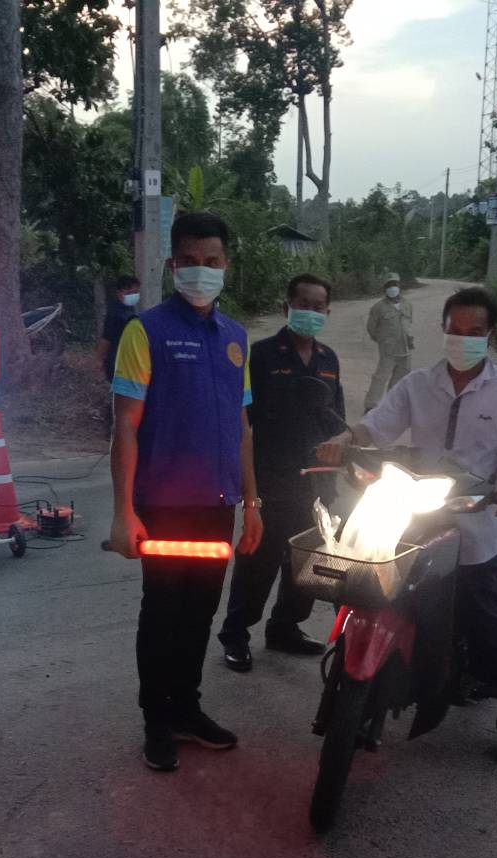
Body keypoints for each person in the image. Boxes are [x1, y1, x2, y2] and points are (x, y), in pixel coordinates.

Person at [318, 286, 497, 767]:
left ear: (490, 334)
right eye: (455, 330)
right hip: (417, 508)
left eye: (474, 331)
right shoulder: (417, 384)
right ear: (442, 330)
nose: (463, 339)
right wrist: (344, 438)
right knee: (366, 574)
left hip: (476, 516)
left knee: (485, 617)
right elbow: (376, 425)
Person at [109, 211, 264, 772]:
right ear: (174, 265)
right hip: (164, 506)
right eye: (191, 262)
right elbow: (125, 426)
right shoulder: (144, 331)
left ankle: (186, 709)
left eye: (212, 262)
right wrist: (123, 512)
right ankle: (157, 719)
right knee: (162, 614)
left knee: (200, 613)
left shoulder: (236, 338)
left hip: (219, 505)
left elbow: (243, 427)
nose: (202, 271)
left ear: (227, 266)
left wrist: (253, 505)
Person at [218, 273, 346, 671]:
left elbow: (337, 420)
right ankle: (236, 634)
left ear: (328, 312)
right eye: (303, 304)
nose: (311, 312)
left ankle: (285, 628)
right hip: (272, 478)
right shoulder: (261, 355)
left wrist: (344, 452)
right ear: (286, 307)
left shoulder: (328, 359)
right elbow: (242, 422)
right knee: (259, 560)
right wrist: (246, 484)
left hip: (318, 480)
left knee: (306, 563)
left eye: (318, 306)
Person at [363, 272, 414, 412]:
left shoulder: (407, 305)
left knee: (401, 377)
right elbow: (371, 328)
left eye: (394, 284)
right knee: (380, 377)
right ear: (384, 288)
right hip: (388, 350)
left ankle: (392, 402)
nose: (392, 287)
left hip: (405, 348)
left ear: (399, 285)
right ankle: (370, 405)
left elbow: (409, 323)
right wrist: (383, 340)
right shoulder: (378, 308)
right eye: (389, 285)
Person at [96, 275, 141, 383]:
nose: (132, 296)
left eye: (135, 292)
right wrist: (99, 359)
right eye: (128, 293)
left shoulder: (129, 308)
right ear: (119, 293)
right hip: (118, 360)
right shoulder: (115, 313)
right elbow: (106, 339)